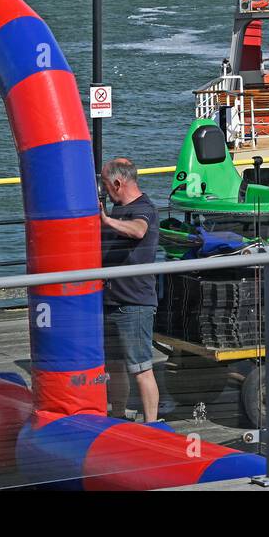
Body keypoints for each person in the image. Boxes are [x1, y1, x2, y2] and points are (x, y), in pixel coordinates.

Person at [99, 157, 162, 423]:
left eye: (105, 185)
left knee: (141, 368)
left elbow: (138, 231)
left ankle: (152, 423)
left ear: (117, 182)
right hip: (111, 300)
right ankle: (118, 415)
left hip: (134, 303)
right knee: (114, 366)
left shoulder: (144, 208)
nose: (104, 190)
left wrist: (106, 221)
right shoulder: (118, 208)